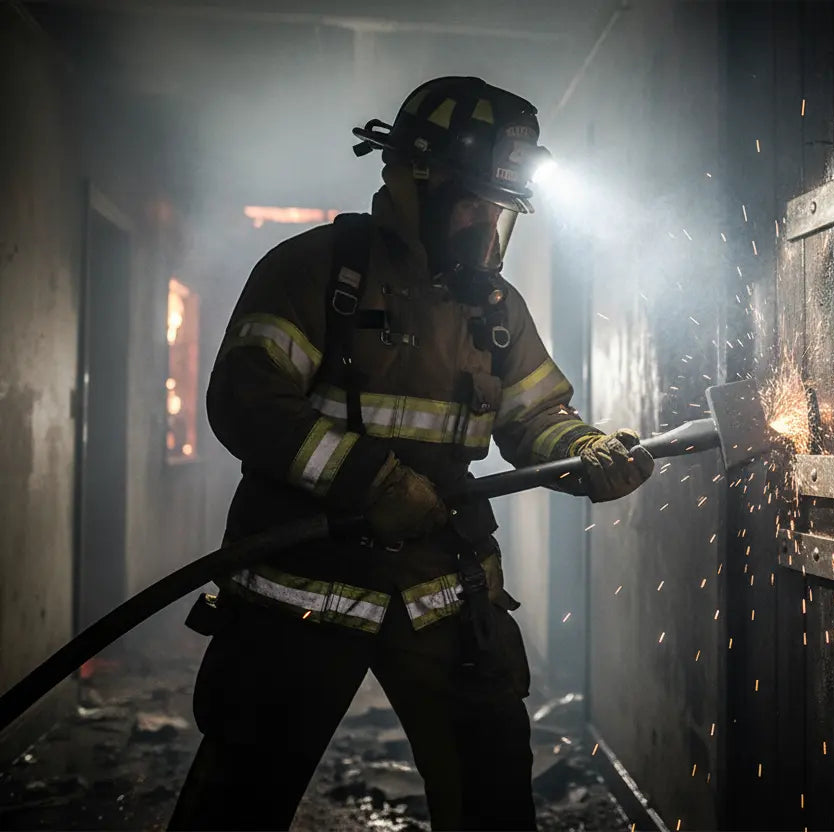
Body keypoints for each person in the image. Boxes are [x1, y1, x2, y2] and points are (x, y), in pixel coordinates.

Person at [168, 76, 654, 831]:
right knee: (238, 799)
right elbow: (248, 401)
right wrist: (370, 478)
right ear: (414, 184)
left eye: (499, 208)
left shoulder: (494, 306)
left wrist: (586, 449)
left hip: (444, 589)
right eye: (474, 201)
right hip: (301, 590)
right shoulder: (314, 271)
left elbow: (536, 417)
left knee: (494, 793)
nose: (486, 223)